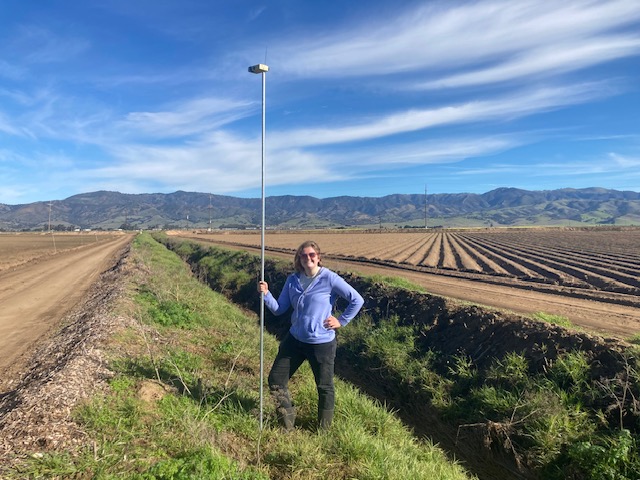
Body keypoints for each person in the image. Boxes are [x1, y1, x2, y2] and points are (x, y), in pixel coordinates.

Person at [258, 240, 364, 431]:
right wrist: (266, 294)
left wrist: (341, 321)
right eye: (304, 255)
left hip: (321, 344)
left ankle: (323, 430)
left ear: (318, 257)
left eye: (312, 255)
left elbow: (357, 299)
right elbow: (279, 309)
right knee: (276, 379)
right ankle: (287, 423)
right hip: (294, 340)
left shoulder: (329, 278)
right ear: (298, 259)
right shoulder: (292, 280)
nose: (308, 258)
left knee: (324, 387)